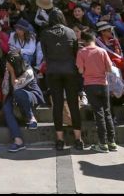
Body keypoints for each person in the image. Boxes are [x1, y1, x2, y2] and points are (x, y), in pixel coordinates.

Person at [39, 9, 86, 151]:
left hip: (53, 71)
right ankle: (78, 139)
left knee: (57, 105)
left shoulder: (45, 33)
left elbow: (45, 54)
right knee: (73, 105)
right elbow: (75, 52)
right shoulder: (71, 32)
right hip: (70, 71)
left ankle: (59, 140)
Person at [76, 31, 117, 153]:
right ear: (94, 39)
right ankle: (112, 142)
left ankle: (103, 144)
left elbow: (80, 71)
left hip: (90, 85)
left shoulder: (81, 52)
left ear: (83, 41)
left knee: (98, 114)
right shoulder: (102, 51)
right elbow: (109, 69)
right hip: (103, 84)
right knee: (107, 112)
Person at [3, 49, 44, 153]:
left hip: (31, 95)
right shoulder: (7, 71)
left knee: (19, 93)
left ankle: (31, 117)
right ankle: (18, 141)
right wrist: (3, 103)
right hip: (14, 96)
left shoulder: (28, 70)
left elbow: (16, 86)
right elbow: (5, 90)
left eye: (8, 63)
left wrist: (12, 72)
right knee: (6, 107)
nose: (6, 64)